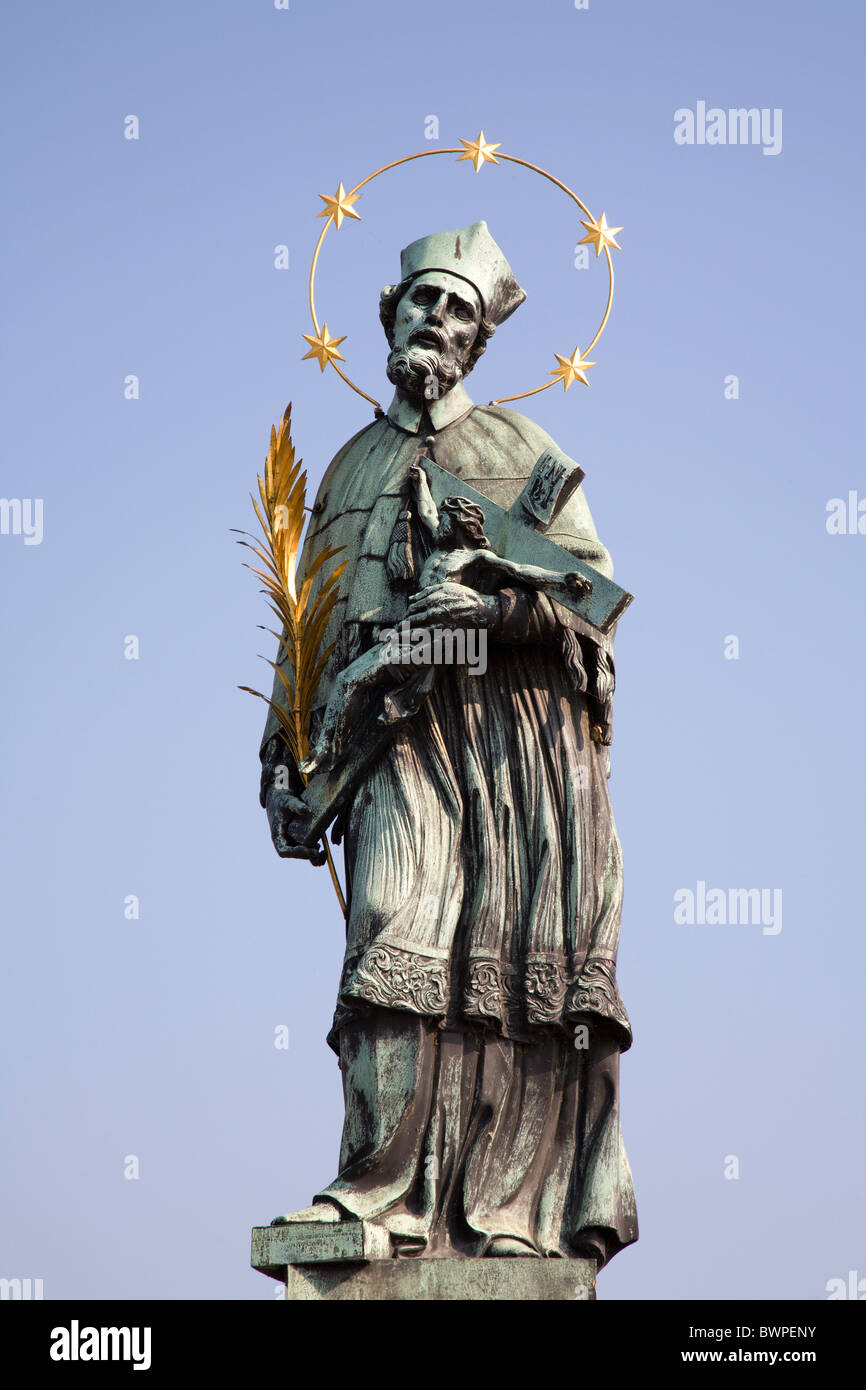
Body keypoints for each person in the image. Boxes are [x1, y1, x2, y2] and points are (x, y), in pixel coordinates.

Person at [260, 221, 637, 1264]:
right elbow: (307, 622)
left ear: (477, 343)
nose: (436, 319)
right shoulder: (344, 468)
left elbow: (586, 606)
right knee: (389, 927)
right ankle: (377, 1187)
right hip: (389, 735)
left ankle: (507, 1206)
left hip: (510, 747)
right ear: (388, 317)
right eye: (422, 301)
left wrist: (485, 601)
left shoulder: (527, 457)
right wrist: (283, 757)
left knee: (511, 968)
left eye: (458, 310)